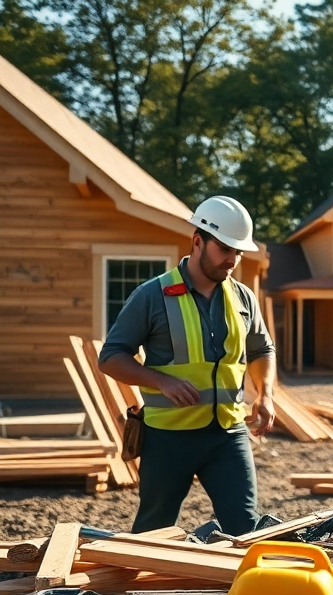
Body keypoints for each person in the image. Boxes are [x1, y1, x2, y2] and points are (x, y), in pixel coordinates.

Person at [99, 196, 275, 535]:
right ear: (198, 242)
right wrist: (160, 381)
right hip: (168, 438)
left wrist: (266, 395)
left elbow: (261, 349)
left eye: (238, 252)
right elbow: (110, 357)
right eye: (225, 249)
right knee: (153, 531)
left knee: (246, 529)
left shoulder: (243, 298)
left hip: (228, 435)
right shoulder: (152, 296)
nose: (232, 260)